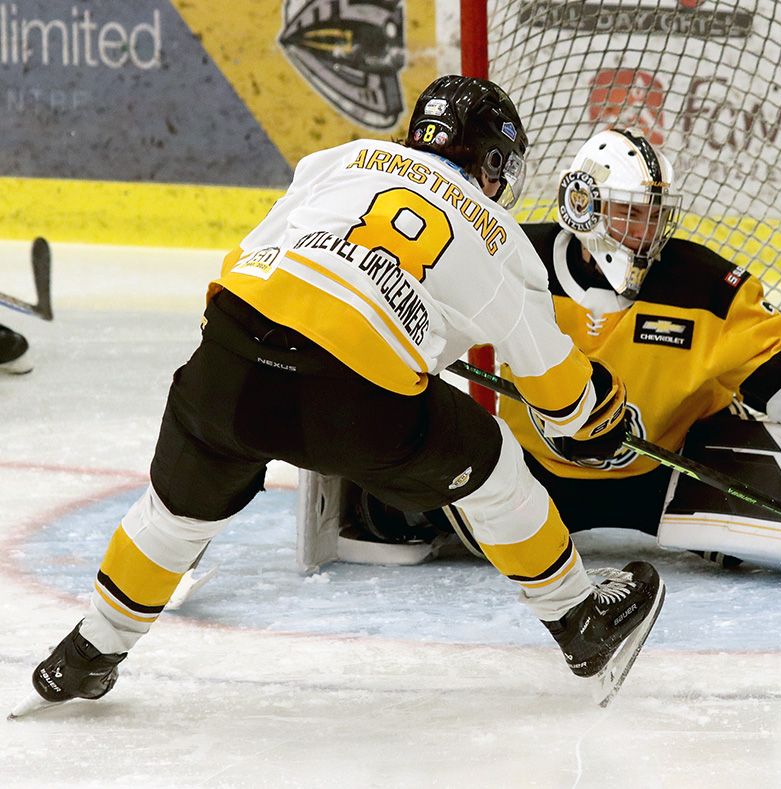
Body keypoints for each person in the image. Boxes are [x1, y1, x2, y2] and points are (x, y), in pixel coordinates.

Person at [20, 81, 667, 714]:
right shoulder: (496, 232)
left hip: (230, 356)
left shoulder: (338, 160)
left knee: (178, 511)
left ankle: (86, 654)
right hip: (355, 405)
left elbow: (251, 258)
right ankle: (582, 620)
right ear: (494, 163)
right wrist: (597, 419)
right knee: (492, 463)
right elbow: (559, 395)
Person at [323, 128, 781, 600]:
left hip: (667, 467)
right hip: (530, 473)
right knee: (399, 510)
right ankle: (369, 499)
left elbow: (780, 354)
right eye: (633, 212)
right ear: (584, 205)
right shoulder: (514, 258)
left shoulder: (699, 285)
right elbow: (420, 311)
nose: (648, 231)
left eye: (654, 214)